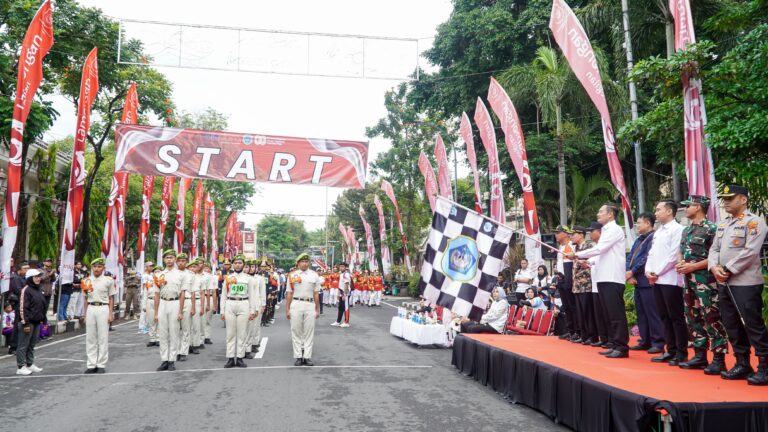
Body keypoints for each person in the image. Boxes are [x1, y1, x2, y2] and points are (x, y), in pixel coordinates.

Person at [708, 184, 768, 385]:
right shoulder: (723, 224)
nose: (725, 202)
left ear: (743, 199)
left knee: (753, 324)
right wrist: (714, 267)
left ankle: (764, 367)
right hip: (724, 282)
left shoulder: (754, 222)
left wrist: (728, 269)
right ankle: (742, 363)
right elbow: (714, 249)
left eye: (730, 198)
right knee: (731, 323)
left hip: (746, 283)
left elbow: (751, 252)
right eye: (724, 199)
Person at [676, 196, 729, 373]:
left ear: (698, 207)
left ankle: (719, 359)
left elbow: (716, 257)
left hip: (707, 282)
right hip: (689, 281)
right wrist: (681, 263)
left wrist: (693, 266)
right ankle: (699, 356)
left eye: (688, 206)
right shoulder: (687, 230)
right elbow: (681, 250)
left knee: (711, 318)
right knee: (692, 316)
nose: (685, 209)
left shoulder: (712, 229)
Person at [570, 204, 628, 359]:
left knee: (615, 313)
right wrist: (588, 262)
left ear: (610, 215)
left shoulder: (614, 230)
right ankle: (614, 343)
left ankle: (622, 346)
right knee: (608, 313)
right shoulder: (607, 231)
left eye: (601, 211)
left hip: (612, 277)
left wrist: (578, 255)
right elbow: (600, 255)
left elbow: (600, 249)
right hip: (603, 277)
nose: (598, 214)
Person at [645, 200, 687, 366]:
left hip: (670, 278)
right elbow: (652, 254)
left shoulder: (677, 229)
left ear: (669, 211)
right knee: (663, 315)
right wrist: (649, 271)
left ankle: (681, 352)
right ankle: (670, 350)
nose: (655, 212)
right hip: (657, 278)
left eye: (658, 209)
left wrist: (658, 272)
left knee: (675, 316)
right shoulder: (658, 231)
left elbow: (673, 256)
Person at [626, 213, 665, 354]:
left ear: (648, 223)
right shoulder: (638, 239)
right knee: (641, 312)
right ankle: (645, 340)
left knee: (652, 312)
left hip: (647, 279)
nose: (637, 225)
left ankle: (658, 341)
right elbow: (630, 257)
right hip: (637, 280)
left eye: (639, 222)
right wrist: (629, 272)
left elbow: (647, 258)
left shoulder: (653, 237)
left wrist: (633, 271)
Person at [221, 255, 259, 368]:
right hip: (230, 303)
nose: (238, 265)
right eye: (236, 263)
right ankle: (230, 358)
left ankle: (240, 357)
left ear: (243, 265)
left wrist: (252, 310)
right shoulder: (228, 278)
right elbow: (223, 295)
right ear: (233, 264)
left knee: (242, 333)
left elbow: (252, 296)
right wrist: (222, 310)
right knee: (230, 333)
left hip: (244, 304)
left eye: (240, 263)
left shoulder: (249, 279)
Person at [286, 253, 322, 366]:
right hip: (296, 303)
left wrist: (317, 309)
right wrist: (287, 309)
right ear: (298, 263)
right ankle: (298, 356)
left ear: (309, 263)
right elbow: (289, 293)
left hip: (310, 304)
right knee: (296, 331)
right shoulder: (292, 275)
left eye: (306, 261)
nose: (305, 263)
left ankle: (307, 357)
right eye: (302, 261)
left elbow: (316, 294)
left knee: (309, 332)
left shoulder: (314, 275)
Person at [82, 258, 116, 374]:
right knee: (90, 338)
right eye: (95, 266)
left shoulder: (108, 280)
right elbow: (85, 298)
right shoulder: (86, 280)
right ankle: (91, 364)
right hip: (91, 308)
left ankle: (101, 364)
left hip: (103, 308)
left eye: (99, 266)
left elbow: (111, 298)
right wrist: (85, 314)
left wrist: (110, 314)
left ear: (103, 268)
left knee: (102, 337)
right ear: (92, 268)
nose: (97, 269)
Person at [155, 250, 186, 372]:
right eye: (167, 258)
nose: (169, 260)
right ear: (164, 260)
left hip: (175, 302)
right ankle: (164, 360)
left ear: (175, 259)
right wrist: (156, 312)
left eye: (171, 257)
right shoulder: (159, 275)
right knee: (162, 334)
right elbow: (156, 294)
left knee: (174, 333)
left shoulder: (180, 274)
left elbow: (182, 294)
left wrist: (181, 311)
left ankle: (172, 360)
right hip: (163, 302)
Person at [16, 269, 47, 376]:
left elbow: (43, 306)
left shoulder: (39, 289)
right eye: (36, 277)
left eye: (39, 276)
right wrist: (25, 323)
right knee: (23, 345)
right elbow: (22, 308)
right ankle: (20, 366)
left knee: (31, 345)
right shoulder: (26, 290)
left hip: (37, 321)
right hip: (28, 322)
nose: (38, 278)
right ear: (30, 278)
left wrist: (44, 320)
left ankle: (30, 364)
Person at [571, 226, 596, 345]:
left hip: (586, 284)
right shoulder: (576, 248)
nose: (572, 236)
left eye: (574, 234)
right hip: (577, 286)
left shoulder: (589, 247)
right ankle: (584, 334)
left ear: (581, 235)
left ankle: (592, 335)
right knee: (580, 311)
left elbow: (591, 265)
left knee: (587, 311)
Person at [555, 225, 578, 341]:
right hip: (560, 278)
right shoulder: (560, 246)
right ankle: (570, 330)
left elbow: (571, 264)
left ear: (565, 233)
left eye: (558, 232)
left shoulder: (571, 245)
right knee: (566, 307)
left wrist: (568, 279)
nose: (556, 235)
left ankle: (577, 331)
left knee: (572, 306)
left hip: (568, 279)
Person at [144, 264, 160, 347]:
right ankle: (152, 339)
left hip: (160, 302)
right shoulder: (149, 282)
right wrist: (144, 305)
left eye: (159, 272)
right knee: (151, 321)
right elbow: (145, 294)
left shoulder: (162, 282)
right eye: (155, 272)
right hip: (150, 301)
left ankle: (158, 338)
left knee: (159, 321)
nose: (157, 273)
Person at [332, 262, 352, 327]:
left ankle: (346, 322)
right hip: (341, 292)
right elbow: (340, 285)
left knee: (346, 308)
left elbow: (346, 284)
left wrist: (345, 294)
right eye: (340, 266)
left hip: (345, 293)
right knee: (340, 308)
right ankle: (338, 321)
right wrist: (338, 293)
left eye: (343, 266)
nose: (341, 268)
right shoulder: (341, 274)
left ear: (345, 267)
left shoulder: (346, 274)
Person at [202, 263, 216, 345]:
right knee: (201, 319)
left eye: (208, 268)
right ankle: (201, 337)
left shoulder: (213, 278)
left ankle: (207, 336)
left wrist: (214, 304)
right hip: (201, 297)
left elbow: (214, 292)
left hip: (209, 297)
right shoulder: (199, 277)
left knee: (208, 319)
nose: (206, 270)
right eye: (205, 268)